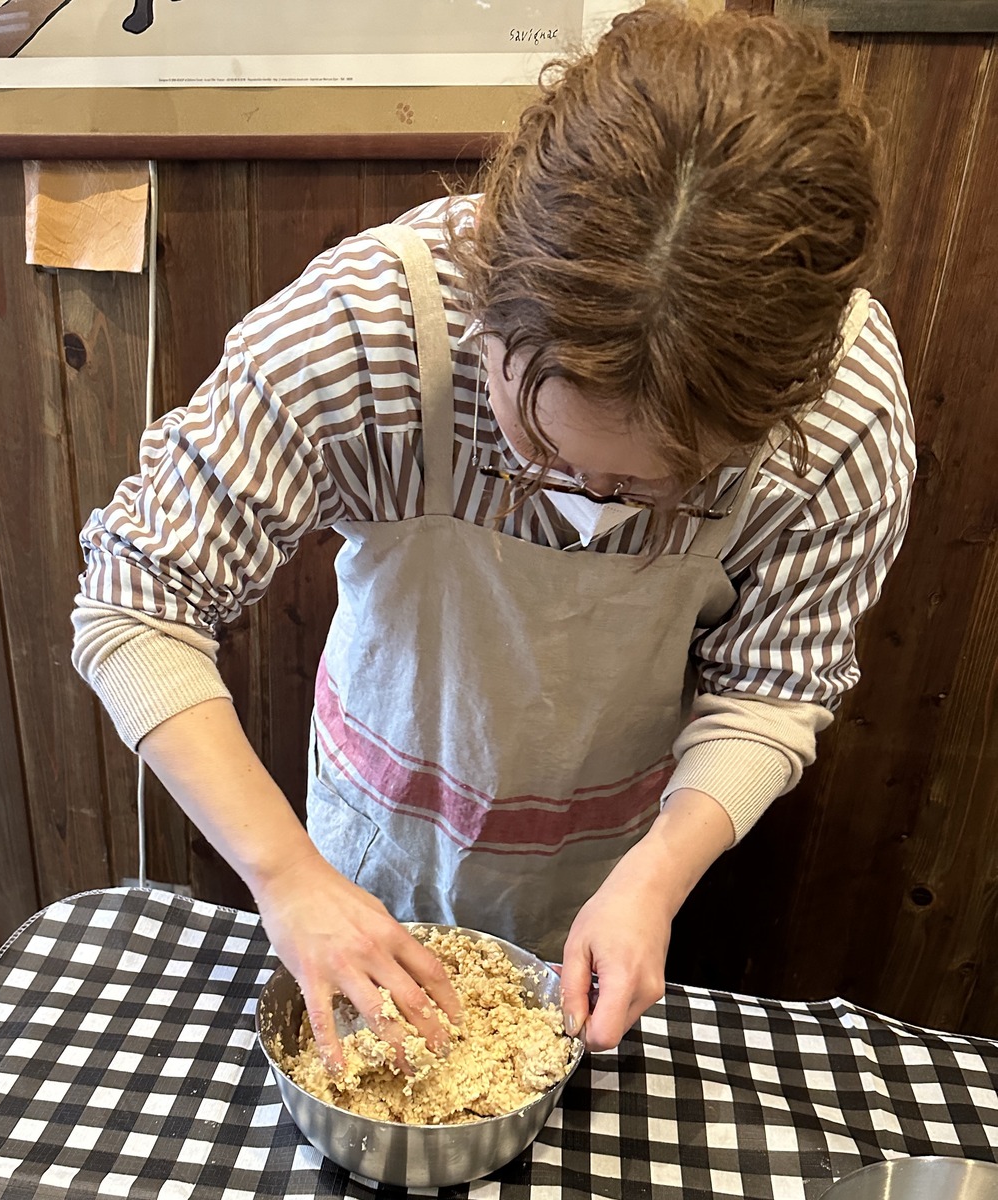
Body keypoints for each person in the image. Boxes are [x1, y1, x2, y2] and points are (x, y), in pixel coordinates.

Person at [73, 1, 914, 1071]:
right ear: (489, 312)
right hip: (367, 824)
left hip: (616, 847)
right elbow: (135, 602)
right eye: (540, 448)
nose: (589, 502)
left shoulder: (838, 415)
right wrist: (286, 878)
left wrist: (656, 878)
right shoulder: (363, 331)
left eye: (652, 485)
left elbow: (772, 688)